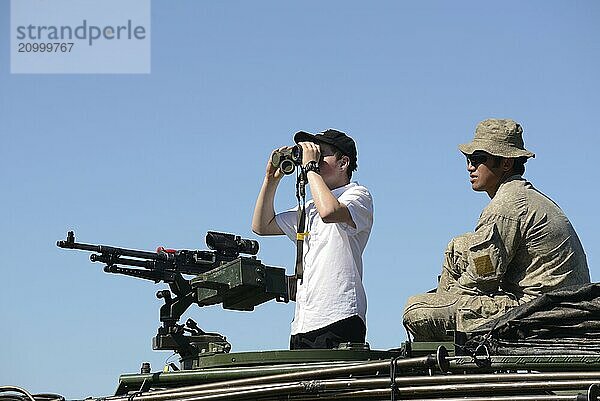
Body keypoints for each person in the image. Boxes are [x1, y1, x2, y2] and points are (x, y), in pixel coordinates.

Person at [403, 118, 590, 341]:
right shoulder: (523, 196)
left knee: (416, 309)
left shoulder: (505, 207)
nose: (470, 166)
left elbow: (482, 280)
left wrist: (448, 298)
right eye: (468, 158)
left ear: (506, 163)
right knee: (457, 247)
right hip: (554, 304)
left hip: (535, 312)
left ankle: (451, 355)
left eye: (479, 159)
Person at [252, 129, 373, 349]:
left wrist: (309, 168)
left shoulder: (357, 195)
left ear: (343, 162)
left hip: (340, 314)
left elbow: (329, 211)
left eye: (321, 155)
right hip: (303, 322)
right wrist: (270, 180)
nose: (314, 161)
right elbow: (262, 225)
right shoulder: (309, 208)